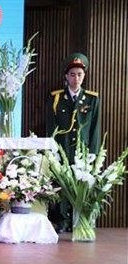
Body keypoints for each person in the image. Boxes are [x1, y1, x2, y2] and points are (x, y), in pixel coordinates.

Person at [45, 52, 100, 232]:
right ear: (66, 77)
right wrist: (51, 148)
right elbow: (50, 125)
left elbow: (95, 127)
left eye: (79, 74)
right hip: (62, 147)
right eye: (72, 74)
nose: (76, 78)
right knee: (60, 184)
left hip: (82, 150)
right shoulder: (56, 98)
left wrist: (93, 151)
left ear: (84, 76)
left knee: (80, 184)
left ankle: (78, 219)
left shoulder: (92, 98)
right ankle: (61, 220)